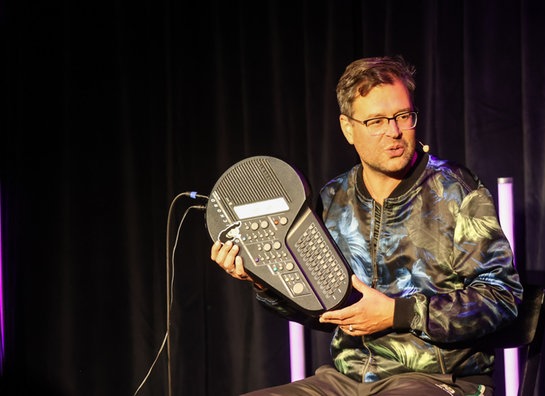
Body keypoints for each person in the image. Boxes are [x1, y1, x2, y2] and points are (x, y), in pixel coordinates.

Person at [210, 55, 523, 396]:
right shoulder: (334, 198)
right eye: (376, 121)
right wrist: (262, 280)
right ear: (348, 128)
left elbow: (502, 298)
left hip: (438, 381)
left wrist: (397, 313)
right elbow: (320, 309)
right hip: (346, 382)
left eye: (403, 116)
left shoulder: (457, 191)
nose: (394, 131)